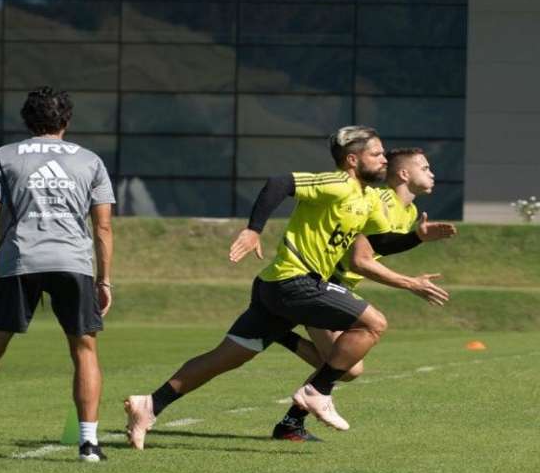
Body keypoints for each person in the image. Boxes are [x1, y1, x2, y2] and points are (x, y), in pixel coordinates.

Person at [124, 126, 455, 450]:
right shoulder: (337, 182)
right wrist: (254, 231)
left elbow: (376, 244)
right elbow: (279, 183)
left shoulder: (366, 198)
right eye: (377, 154)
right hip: (295, 281)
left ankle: (150, 405)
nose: (384, 159)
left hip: (278, 289)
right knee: (373, 323)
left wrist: (416, 238)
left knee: (225, 358)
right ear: (352, 160)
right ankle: (316, 392)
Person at [0, 87, 115, 463]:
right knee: (84, 350)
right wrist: (103, 279)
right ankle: (89, 444)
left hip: (18, 261)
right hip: (74, 263)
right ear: (66, 120)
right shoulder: (90, 161)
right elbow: (102, 229)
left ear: (27, 120)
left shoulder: (3, 156)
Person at [271, 146, 448, 441]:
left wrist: (415, 238)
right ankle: (290, 418)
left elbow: (377, 250)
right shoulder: (377, 201)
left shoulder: (411, 212)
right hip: (320, 284)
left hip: (340, 287)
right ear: (404, 174)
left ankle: (281, 339)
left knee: (347, 367)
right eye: (425, 167)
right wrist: (410, 283)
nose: (432, 173)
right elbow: (360, 261)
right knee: (348, 367)